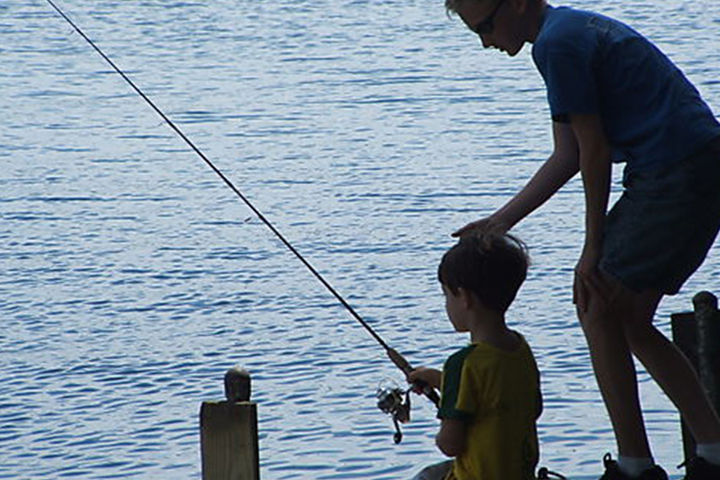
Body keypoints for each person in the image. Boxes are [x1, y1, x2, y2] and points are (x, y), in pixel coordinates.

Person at [443, 0, 720, 478]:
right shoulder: (563, 32)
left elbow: (595, 151)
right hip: (693, 164)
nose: (485, 41)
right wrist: (499, 222)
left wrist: (590, 250)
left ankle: (636, 464)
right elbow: (566, 155)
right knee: (629, 318)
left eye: (485, 26)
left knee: (595, 301)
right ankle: (712, 451)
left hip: (676, 170)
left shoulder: (557, 44)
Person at [408, 232, 542, 480]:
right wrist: (441, 381)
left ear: (465, 298)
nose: (446, 304)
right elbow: (520, 404)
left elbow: (450, 445)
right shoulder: (521, 350)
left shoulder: (462, 364)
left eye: (447, 295)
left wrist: (447, 410)